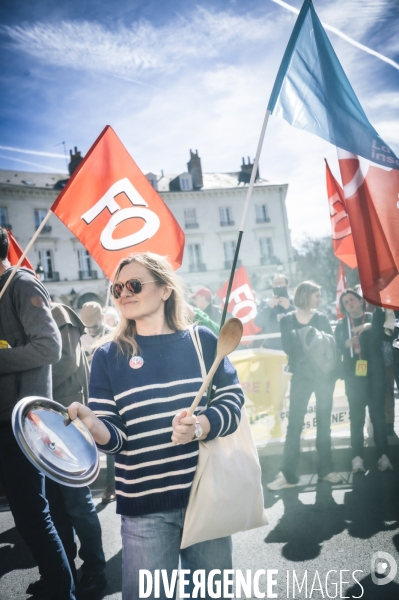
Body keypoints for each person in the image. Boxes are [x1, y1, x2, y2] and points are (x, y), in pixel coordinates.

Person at [67, 252, 244, 600]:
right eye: (117, 288)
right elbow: (115, 440)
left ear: (165, 290)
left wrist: (201, 426)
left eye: (134, 284)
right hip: (144, 510)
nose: (124, 294)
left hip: (206, 498)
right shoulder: (106, 356)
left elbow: (233, 400)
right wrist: (92, 423)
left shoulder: (203, 341)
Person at [0, 227, 75, 600]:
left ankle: (62, 589)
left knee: (33, 515)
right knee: (28, 515)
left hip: (19, 424)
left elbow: (49, 347)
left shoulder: (22, 284)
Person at [35, 303, 106, 598]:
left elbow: (63, 364)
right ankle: (67, 569)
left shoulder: (59, 314)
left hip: (65, 421)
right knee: (56, 505)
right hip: (47, 421)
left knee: (77, 503)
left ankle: (95, 568)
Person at [268, 281, 341, 490]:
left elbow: (330, 347)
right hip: (300, 378)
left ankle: (326, 470)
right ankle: (288, 475)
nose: (319, 299)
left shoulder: (322, 318)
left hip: (323, 378)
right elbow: (288, 348)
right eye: (316, 295)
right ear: (306, 296)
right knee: (294, 426)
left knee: (324, 423)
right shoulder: (287, 320)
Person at [335, 290, 393, 473]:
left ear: (361, 301)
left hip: (375, 374)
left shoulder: (373, 318)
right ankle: (357, 458)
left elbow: (386, 335)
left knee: (378, 416)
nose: (350, 303)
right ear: (344, 308)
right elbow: (337, 345)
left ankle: (384, 456)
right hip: (354, 376)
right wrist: (345, 344)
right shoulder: (341, 324)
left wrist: (368, 327)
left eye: (352, 299)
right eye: (346, 302)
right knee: (356, 418)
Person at [80, 300, 115, 503]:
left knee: (109, 440)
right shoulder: (80, 338)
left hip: (110, 393)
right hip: (87, 394)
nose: (91, 330)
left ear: (102, 318)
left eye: (94, 326)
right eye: (88, 327)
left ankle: (110, 486)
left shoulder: (113, 333)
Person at [255, 274, 295, 350]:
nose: (278, 286)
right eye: (275, 283)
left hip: (291, 347)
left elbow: (302, 320)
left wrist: (289, 308)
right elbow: (258, 322)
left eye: (280, 283)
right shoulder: (265, 303)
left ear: (287, 286)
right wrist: (269, 306)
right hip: (271, 348)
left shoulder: (294, 301)